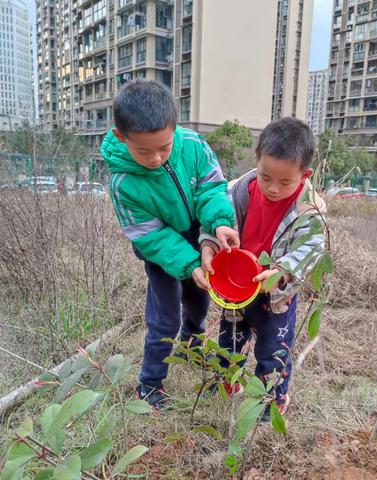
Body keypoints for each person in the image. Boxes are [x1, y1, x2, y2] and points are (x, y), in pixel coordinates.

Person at [100, 80, 239, 409]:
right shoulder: (123, 183)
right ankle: (149, 385)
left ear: (175, 128)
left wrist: (219, 222)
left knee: (199, 301)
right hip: (161, 250)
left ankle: (191, 343)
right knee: (164, 320)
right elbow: (151, 236)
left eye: (164, 147)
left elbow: (211, 187)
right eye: (144, 151)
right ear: (122, 138)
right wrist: (189, 265)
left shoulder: (192, 144)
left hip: (197, 233)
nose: (156, 158)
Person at [201, 117, 326, 420]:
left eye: (285, 182)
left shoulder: (308, 212)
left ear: (304, 174)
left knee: (274, 348)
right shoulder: (237, 192)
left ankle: (272, 398)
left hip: (276, 295)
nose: (272, 188)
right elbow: (215, 222)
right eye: (265, 176)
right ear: (256, 162)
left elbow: (311, 249)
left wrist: (282, 271)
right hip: (237, 285)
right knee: (230, 339)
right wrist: (208, 245)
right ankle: (227, 382)